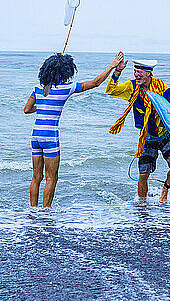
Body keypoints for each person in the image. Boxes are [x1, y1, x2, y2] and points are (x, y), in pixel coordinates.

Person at [24, 52, 124, 208]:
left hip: (35, 136)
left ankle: (33, 210)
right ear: (66, 71)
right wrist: (112, 66)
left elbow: (27, 109)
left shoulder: (38, 88)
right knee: (51, 178)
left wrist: (44, 106)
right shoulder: (67, 88)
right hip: (50, 137)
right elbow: (96, 82)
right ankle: (45, 213)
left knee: (36, 177)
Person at [106, 56, 170, 203]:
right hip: (147, 136)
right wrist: (117, 71)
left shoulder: (160, 87)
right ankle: (142, 205)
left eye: (140, 72)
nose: (136, 74)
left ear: (148, 73)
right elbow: (111, 90)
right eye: (135, 71)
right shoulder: (132, 87)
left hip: (165, 134)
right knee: (143, 175)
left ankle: (166, 187)